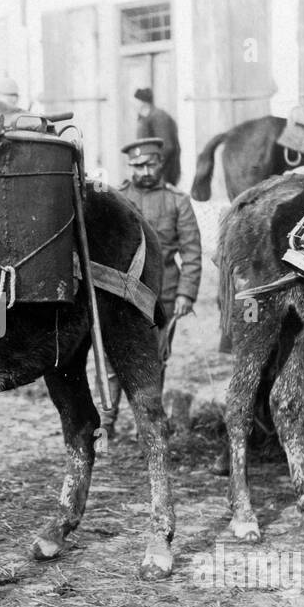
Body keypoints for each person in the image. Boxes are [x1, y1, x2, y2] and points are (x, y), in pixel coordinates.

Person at [100, 137, 201, 440]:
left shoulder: (177, 201)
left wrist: (186, 293)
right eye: (137, 166)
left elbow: (192, 253)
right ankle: (106, 420)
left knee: (154, 360)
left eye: (149, 165)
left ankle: (149, 420)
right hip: (119, 293)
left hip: (162, 296)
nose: (143, 171)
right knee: (110, 358)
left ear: (160, 164)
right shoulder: (114, 198)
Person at [134, 87, 181, 187]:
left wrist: (153, 165)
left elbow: (167, 146)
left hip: (162, 172)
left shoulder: (158, 117)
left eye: (136, 103)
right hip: (151, 171)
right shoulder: (146, 118)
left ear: (144, 103)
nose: (134, 107)